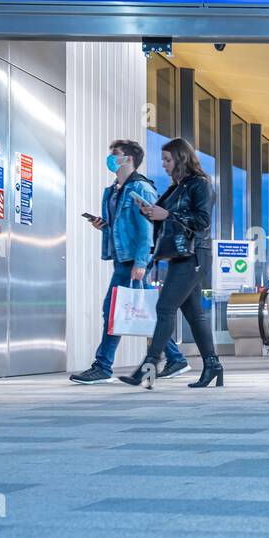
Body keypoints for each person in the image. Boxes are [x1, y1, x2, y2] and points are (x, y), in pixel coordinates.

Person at [71, 139, 187, 384]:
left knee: (111, 310)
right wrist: (103, 226)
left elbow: (148, 228)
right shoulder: (114, 190)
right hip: (123, 257)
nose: (111, 158)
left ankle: (102, 366)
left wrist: (142, 262)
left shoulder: (142, 189)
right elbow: (122, 227)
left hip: (134, 260)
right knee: (145, 311)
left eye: (116, 154)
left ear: (129, 159)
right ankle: (175, 358)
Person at [118, 138, 220, 389]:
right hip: (180, 256)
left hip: (194, 256)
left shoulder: (200, 185)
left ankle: (149, 366)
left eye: (167, 159)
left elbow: (203, 221)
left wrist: (169, 214)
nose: (163, 164)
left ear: (181, 159)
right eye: (162, 159)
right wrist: (150, 213)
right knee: (195, 315)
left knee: (165, 308)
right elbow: (163, 217)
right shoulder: (177, 187)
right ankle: (213, 366)